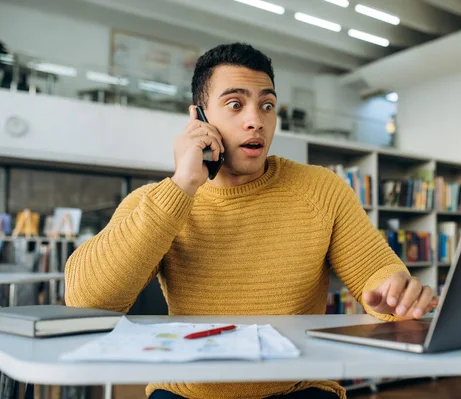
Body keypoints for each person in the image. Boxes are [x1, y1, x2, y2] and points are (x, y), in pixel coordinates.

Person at [65, 43, 437, 399]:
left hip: (298, 390)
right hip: (189, 393)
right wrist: (184, 184)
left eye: (267, 105)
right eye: (235, 104)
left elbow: (377, 272)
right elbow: (87, 300)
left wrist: (395, 295)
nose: (255, 120)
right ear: (200, 117)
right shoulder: (160, 201)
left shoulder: (321, 189)